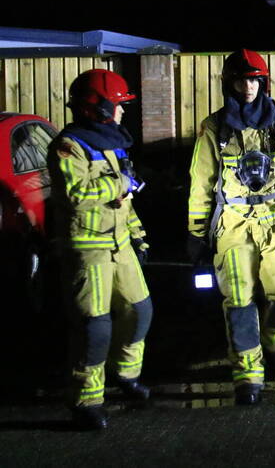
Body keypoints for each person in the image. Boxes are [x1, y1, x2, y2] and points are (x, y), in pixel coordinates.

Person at [186, 49, 275, 406]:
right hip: (233, 226)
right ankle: (248, 377)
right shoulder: (214, 127)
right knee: (239, 302)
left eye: (253, 80)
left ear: (262, 83)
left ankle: (271, 345)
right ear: (229, 84)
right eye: (240, 80)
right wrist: (197, 232)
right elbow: (201, 183)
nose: (247, 87)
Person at [47, 68, 152, 431]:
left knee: (140, 310)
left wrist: (138, 236)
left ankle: (125, 376)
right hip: (88, 247)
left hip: (120, 244)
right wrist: (119, 182)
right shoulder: (69, 146)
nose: (122, 111)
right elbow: (76, 195)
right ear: (99, 107)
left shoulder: (111, 140)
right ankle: (87, 400)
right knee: (95, 327)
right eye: (118, 105)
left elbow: (126, 199)